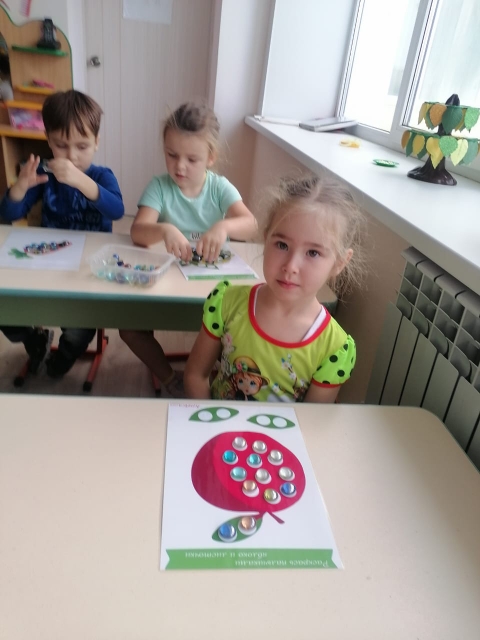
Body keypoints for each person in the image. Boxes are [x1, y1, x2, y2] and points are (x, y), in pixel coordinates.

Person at [184, 173, 365, 403]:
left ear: (339, 263)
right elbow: (195, 376)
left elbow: (311, 420)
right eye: (282, 245)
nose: (291, 266)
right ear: (266, 239)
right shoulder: (226, 303)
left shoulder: (334, 347)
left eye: (313, 253)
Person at [119, 101, 257, 397]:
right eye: (171, 155)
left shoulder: (219, 187)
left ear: (211, 157)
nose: (179, 166)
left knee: (241, 330)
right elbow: (138, 231)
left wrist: (224, 226)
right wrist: (165, 229)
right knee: (129, 328)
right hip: (168, 285)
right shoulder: (159, 186)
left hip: (213, 290)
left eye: (192, 159)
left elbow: (251, 225)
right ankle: (169, 377)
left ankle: (217, 375)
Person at [0, 90, 124, 377]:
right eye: (61, 145)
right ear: (48, 140)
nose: (72, 156)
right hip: (47, 262)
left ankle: (66, 354)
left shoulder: (101, 176)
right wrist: (20, 187)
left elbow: (117, 210)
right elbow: (9, 214)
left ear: (97, 142)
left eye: (82, 146)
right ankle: (35, 340)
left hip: (88, 267)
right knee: (6, 308)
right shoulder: (45, 173)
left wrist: (82, 181)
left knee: (79, 328)